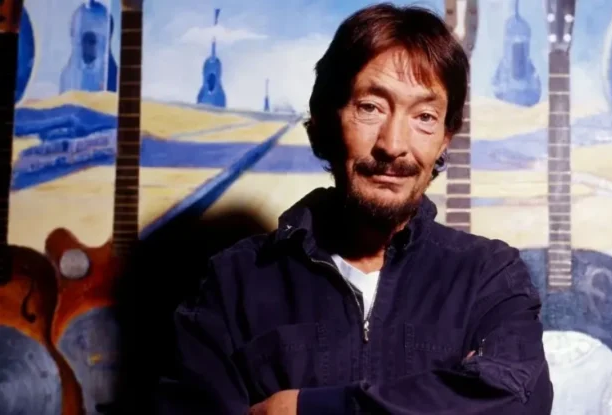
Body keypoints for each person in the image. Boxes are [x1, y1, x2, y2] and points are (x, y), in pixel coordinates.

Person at [155, 3, 553, 414]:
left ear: (444, 139)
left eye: (425, 116)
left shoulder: (489, 278)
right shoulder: (233, 282)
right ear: (326, 119)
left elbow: (514, 401)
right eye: (370, 107)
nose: (393, 145)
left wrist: (307, 408)